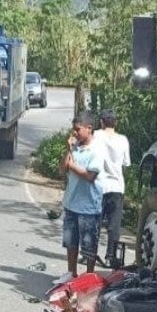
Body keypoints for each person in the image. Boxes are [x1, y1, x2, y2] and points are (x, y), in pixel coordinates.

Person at [57, 111, 104, 281]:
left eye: (78, 129)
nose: (74, 133)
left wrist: (72, 165)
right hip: (71, 203)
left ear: (89, 128)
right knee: (71, 242)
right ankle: (71, 273)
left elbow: (90, 176)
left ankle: (89, 276)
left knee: (89, 245)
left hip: (88, 207)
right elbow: (62, 170)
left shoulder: (96, 150)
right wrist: (68, 151)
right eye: (73, 129)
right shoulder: (74, 148)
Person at [93, 110, 130, 268]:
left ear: (101, 122)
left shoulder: (96, 136)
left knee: (95, 222)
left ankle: (90, 254)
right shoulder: (123, 140)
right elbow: (126, 163)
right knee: (114, 226)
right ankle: (110, 256)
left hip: (99, 185)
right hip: (117, 186)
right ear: (116, 122)